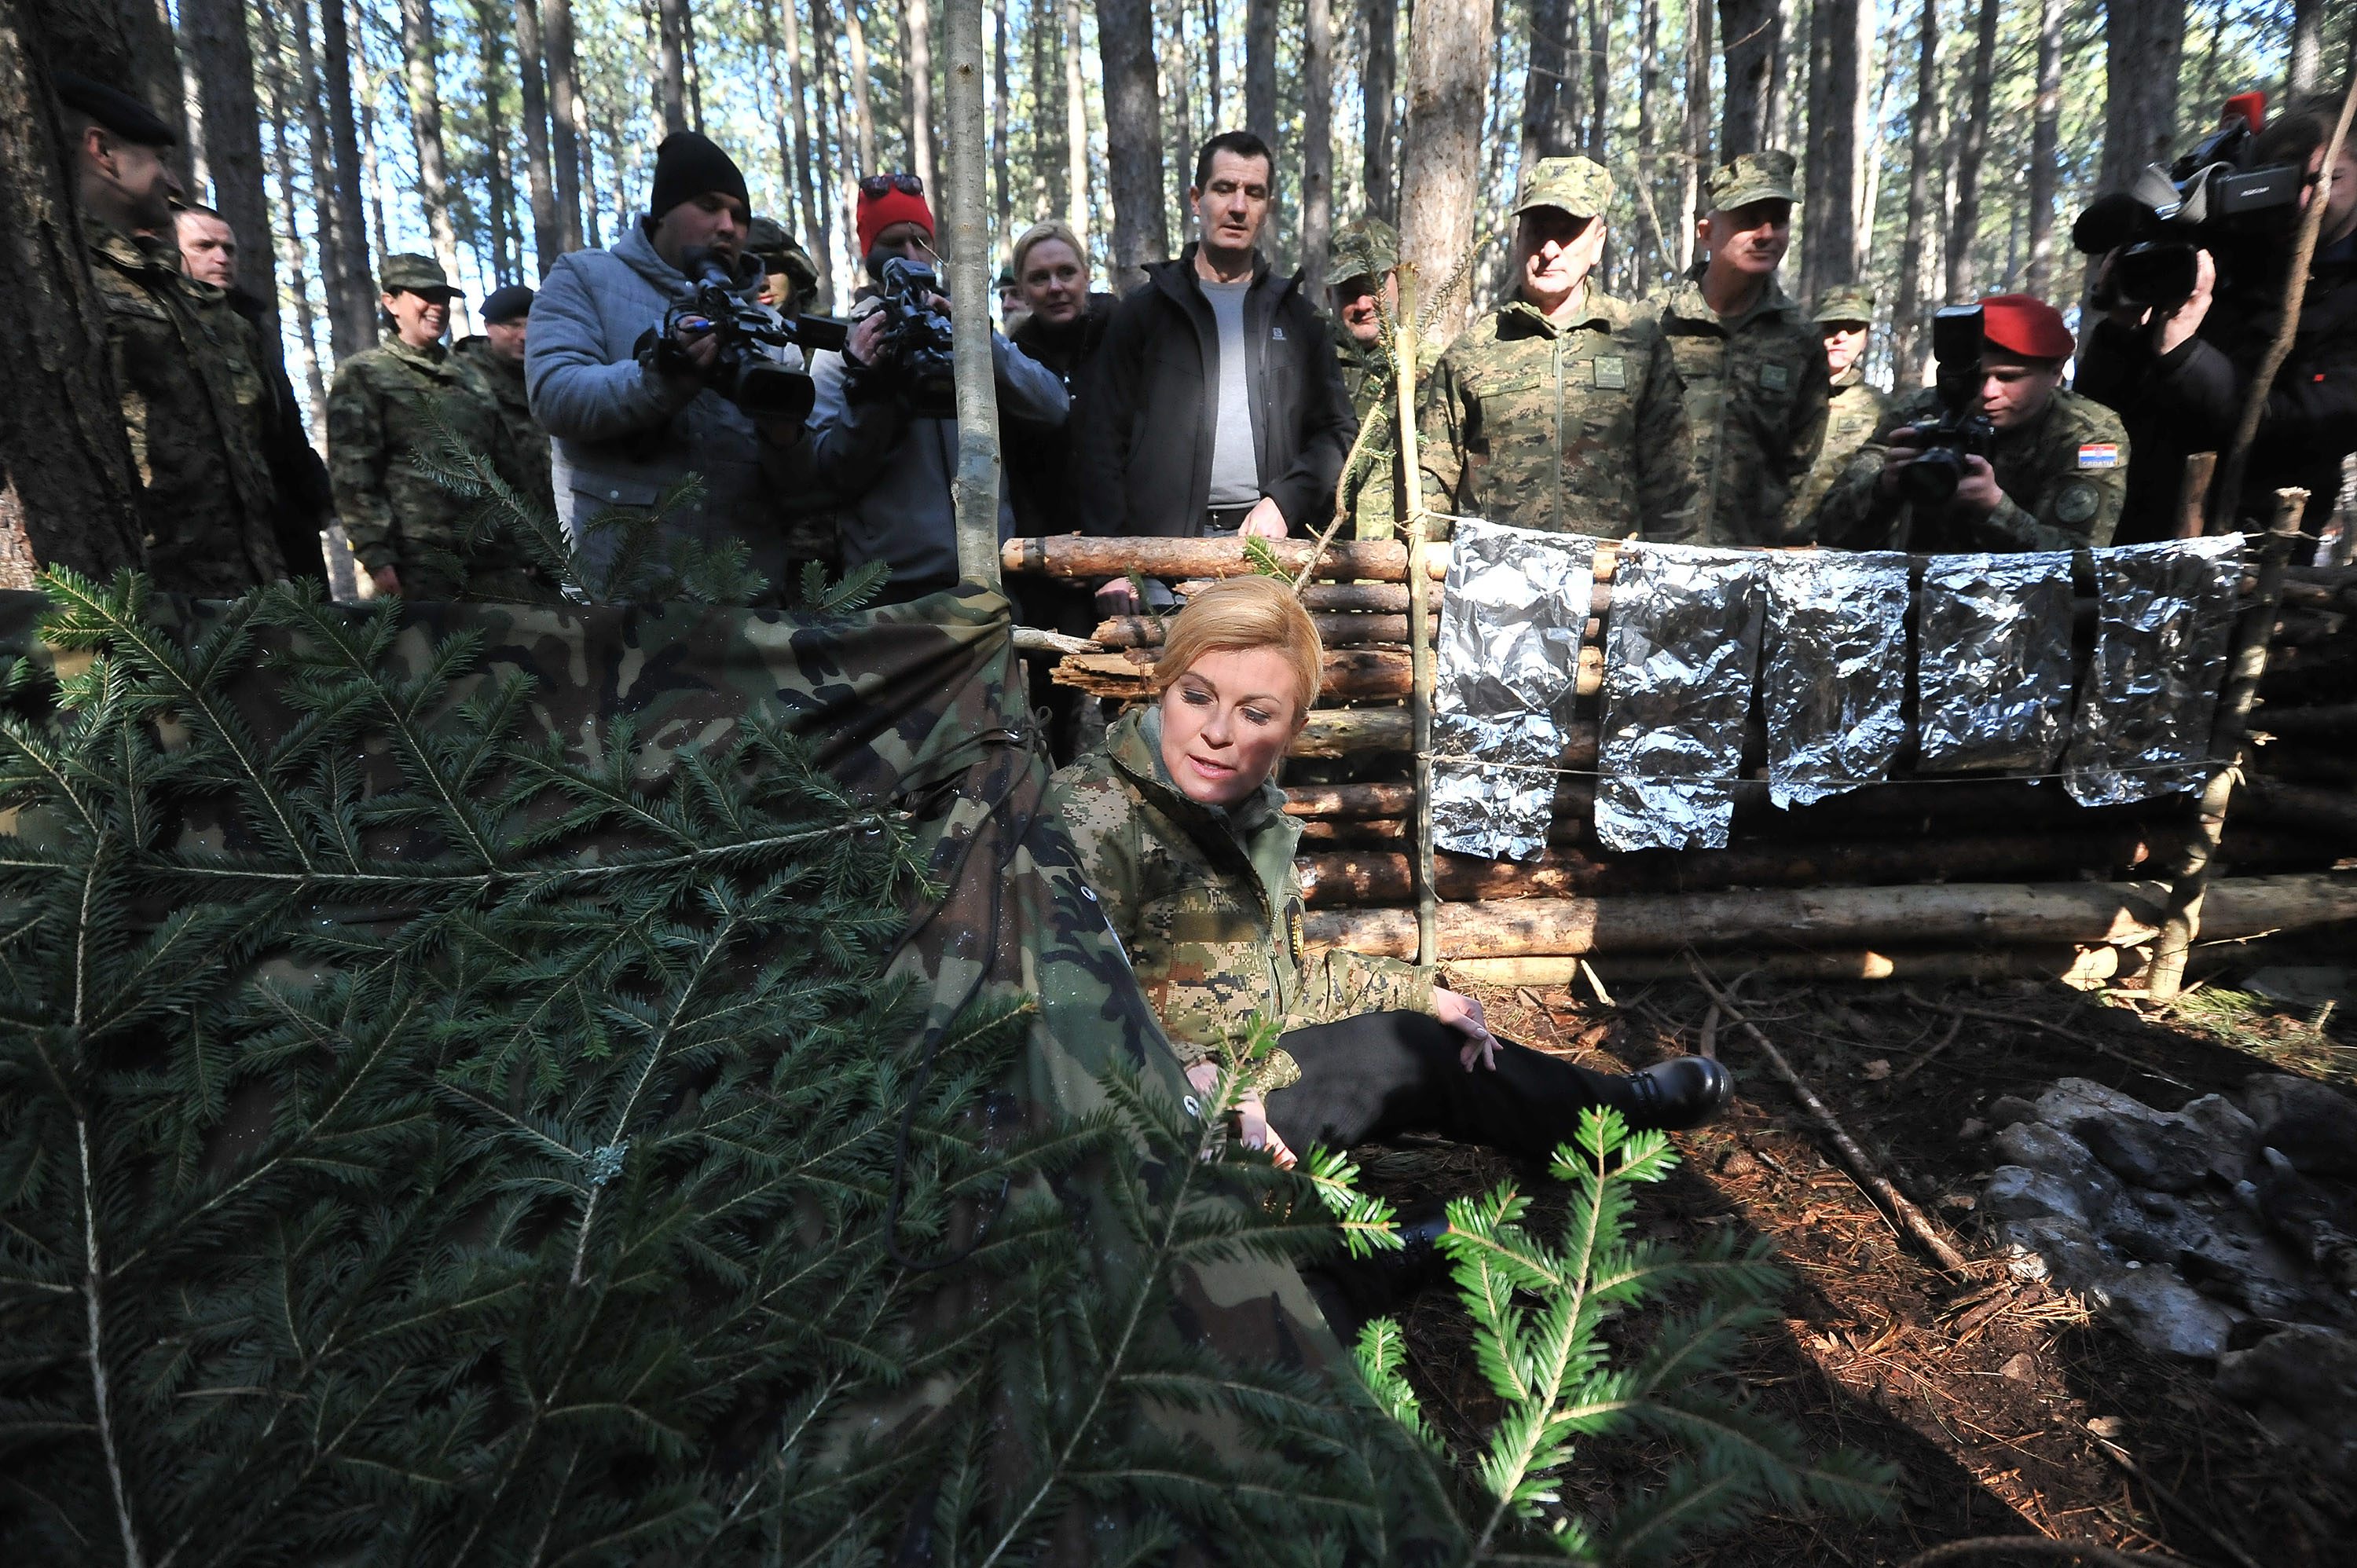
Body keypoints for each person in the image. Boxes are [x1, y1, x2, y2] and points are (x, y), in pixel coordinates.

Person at [1047, 576, 1732, 1174]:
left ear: (1294, 731)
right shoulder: (1094, 814)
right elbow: (1062, 1004)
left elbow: (1269, 987)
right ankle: (1413, 1249)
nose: (1218, 732)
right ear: (1164, 689)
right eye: (1197, 697)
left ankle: (1608, 1123)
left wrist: (1414, 993)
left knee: (1432, 1036)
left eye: (1255, 713)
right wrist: (1206, 1079)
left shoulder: (1245, 816)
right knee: (1399, 1053)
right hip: (1150, 1120)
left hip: (1241, 1079)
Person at [1075, 131, 1356, 610]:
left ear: (1267, 207)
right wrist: (1111, 564)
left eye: (1254, 192)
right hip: (1160, 562)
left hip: (1268, 557)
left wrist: (1286, 501)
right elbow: (1100, 440)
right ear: (1195, 199)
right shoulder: (1145, 314)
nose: (1238, 206)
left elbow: (1337, 431)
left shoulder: (1299, 319)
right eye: (1224, 188)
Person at [527, 130, 810, 590]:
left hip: (741, 604)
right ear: (662, 212)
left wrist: (786, 438)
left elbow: (801, 489)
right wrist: (661, 377)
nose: (727, 226)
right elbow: (555, 396)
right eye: (708, 205)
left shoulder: (769, 327)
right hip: (618, 596)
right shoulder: (585, 278)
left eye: (739, 216)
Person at [2076, 92, 2357, 549]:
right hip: (2132, 532)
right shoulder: (2222, 253)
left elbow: (2301, 431)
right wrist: (2121, 329)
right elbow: (2098, 420)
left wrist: (2186, 355)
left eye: (2327, 179)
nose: (2303, 201)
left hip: (2253, 550)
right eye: (2284, 182)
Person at [57, 71, 287, 595]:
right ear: (103, 152)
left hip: (240, 584)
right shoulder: (68, 278)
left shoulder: (162, 281)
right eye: (158, 158)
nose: (171, 180)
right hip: (152, 600)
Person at [804, 174, 1069, 598]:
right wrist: (873, 385)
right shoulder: (844, 348)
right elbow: (825, 473)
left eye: (921, 242)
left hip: (990, 579)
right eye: (894, 243)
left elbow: (1053, 407)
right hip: (891, 590)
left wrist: (981, 343)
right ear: (870, 254)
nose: (912, 256)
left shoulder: (958, 326)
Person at [1418, 157, 1695, 540]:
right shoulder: (1472, 353)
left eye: (1566, 233)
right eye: (1537, 232)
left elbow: (1673, 487)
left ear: (1598, 243)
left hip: (1606, 587)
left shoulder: (1637, 343)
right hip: (1495, 587)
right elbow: (1430, 487)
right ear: (1518, 240)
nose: (1550, 250)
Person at [1816, 293, 2132, 553]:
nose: (1988, 393)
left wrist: (1996, 510)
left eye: (2009, 378)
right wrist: (1883, 488)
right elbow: (1831, 529)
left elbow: (2082, 559)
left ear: (2055, 372)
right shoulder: (1923, 413)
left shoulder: (2086, 434)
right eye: (1975, 378)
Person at [327, 255, 545, 599]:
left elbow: (507, 470)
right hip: (415, 563)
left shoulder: (471, 377)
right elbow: (353, 473)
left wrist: (533, 543)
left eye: (443, 298)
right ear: (391, 302)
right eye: (424, 296)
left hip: (491, 561)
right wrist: (376, 554)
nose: (437, 308)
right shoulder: (366, 374)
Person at [1651, 151, 1831, 545]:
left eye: (1778, 220)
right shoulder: (1653, 322)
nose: (1766, 234)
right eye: (1749, 221)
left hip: (1748, 564)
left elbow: (1799, 464)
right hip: (1653, 557)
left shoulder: (1799, 340)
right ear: (1707, 232)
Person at [174, 202, 335, 584]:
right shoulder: (164, 322)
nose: (221, 258)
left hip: (281, 515)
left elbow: (282, 420)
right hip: (204, 526)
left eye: (228, 249)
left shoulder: (250, 324)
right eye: (203, 246)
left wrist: (314, 491)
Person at [1788, 284, 1890, 526]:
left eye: (1854, 329)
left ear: (1865, 339)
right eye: (1831, 328)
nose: (1840, 338)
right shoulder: (1783, 394)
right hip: (1769, 539)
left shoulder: (1881, 408)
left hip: (1839, 542)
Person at [454, 284, 555, 514]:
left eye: (533, 326)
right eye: (513, 326)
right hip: (494, 521)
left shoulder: (551, 374)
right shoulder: (463, 379)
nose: (525, 336)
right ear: (489, 327)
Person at [746, 215, 821, 317]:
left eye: (770, 269)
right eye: (749, 272)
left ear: (795, 274)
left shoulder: (841, 332)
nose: (762, 284)